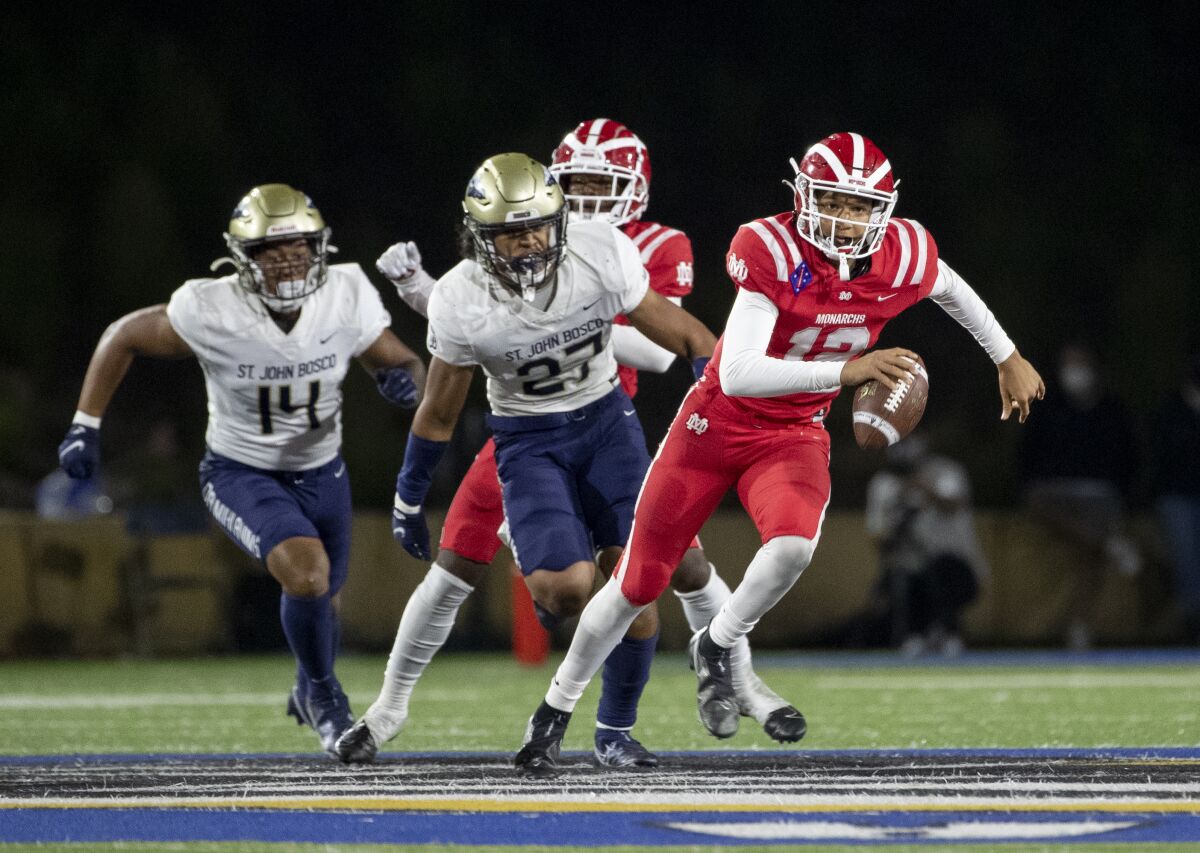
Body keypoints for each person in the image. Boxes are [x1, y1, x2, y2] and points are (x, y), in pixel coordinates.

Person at [513, 131, 1045, 777]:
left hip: (794, 432)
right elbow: (738, 373)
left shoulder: (903, 251)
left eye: (857, 205)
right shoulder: (771, 247)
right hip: (713, 426)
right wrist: (847, 370)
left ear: (882, 210)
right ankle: (553, 714)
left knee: (793, 546)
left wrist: (1007, 356)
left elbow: (951, 287)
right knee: (636, 582)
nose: (843, 218)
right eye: (831, 200)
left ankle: (718, 642)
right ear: (803, 196)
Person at [336, 121, 803, 767]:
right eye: (511, 231)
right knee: (527, 582)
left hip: (608, 424)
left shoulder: (606, 249)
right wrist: (408, 495)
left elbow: (682, 341)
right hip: (524, 437)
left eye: (539, 225)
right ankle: (389, 707)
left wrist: (724, 409)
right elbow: (439, 412)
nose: (529, 240)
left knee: (649, 577)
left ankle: (636, 721)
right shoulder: (462, 295)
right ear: (480, 237)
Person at [55, 184, 427, 756]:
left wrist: (401, 379)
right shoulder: (213, 307)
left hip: (324, 472)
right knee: (307, 575)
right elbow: (123, 335)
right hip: (240, 472)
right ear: (242, 257)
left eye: (300, 247)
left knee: (322, 602)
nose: (289, 260)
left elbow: (402, 360)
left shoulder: (345, 293)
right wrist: (85, 423)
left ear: (319, 247)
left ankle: (308, 684)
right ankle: (324, 697)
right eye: (270, 250)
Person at [1018, 342, 1140, 650]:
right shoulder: (1047, 406)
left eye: (1080, 364)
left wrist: (1124, 493)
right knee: (1040, 503)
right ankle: (1107, 542)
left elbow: (1128, 457)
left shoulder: (1112, 409)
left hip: (1098, 492)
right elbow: (1028, 455)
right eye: (1069, 365)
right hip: (1053, 491)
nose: (1075, 372)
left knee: (1089, 556)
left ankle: (1080, 626)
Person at [864, 435, 988, 656]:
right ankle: (914, 635)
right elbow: (878, 538)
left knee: (939, 571)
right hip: (911, 573)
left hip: (957, 570)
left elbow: (952, 503)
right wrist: (899, 514)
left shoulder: (945, 471)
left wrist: (921, 488)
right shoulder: (884, 484)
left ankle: (947, 632)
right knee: (902, 576)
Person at [1150, 353, 1200, 642]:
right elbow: (1162, 459)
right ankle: (1191, 623)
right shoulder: (1171, 410)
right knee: (1187, 558)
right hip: (1179, 497)